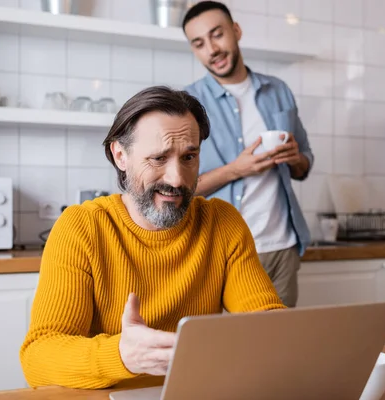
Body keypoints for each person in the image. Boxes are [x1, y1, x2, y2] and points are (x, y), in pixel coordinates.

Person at [19, 86, 286, 390]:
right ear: (120, 155)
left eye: (189, 157)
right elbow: (38, 358)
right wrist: (123, 355)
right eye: (158, 158)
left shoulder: (223, 223)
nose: (177, 179)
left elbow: (268, 325)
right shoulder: (81, 227)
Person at [182, 1, 314, 308]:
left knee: (280, 348)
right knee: (228, 351)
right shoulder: (187, 103)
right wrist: (237, 170)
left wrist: (295, 158)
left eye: (217, 35)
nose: (212, 49)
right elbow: (180, 188)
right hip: (222, 251)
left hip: (283, 247)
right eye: (199, 43)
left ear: (236, 31)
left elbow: (305, 163)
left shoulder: (278, 90)